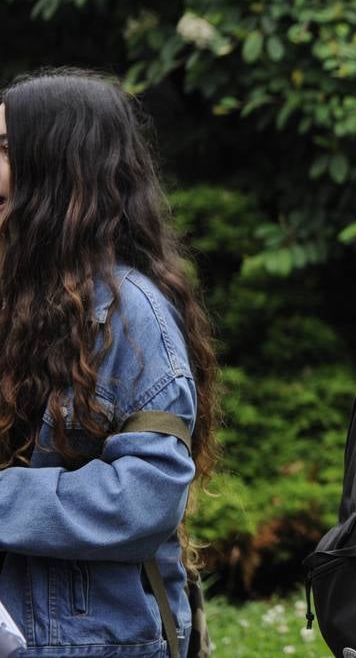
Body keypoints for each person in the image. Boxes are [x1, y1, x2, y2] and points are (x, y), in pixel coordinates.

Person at [0, 71, 219, 655]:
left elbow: (143, 498)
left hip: (93, 641)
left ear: (60, 168)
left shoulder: (132, 315)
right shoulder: (20, 306)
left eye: (3, 148)